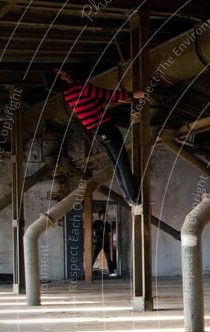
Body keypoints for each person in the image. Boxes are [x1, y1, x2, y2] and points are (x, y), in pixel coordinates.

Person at [55, 67, 145, 206]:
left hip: (97, 132)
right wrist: (133, 94)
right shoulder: (79, 88)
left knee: (117, 163)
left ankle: (130, 198)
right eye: (62, 74)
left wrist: (122, 100)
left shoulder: (68, 95)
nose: (66, 74)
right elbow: (105, 93)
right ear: (61, 80)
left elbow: (95, 100)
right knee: (122, 161)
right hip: (106, 128)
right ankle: (133, 197)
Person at [91, 210, 112, 275]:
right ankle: (90, 270)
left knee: (107, 256)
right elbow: (94, 231)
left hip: (105, 242)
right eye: (103, 215)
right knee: (95, 256)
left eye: (105, 215)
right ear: (100, 216)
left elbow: (108, 232)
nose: (105, 216)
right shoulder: (96, 222)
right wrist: (100, 229)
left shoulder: (107, 223)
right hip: (98, 242)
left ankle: (111, 271)